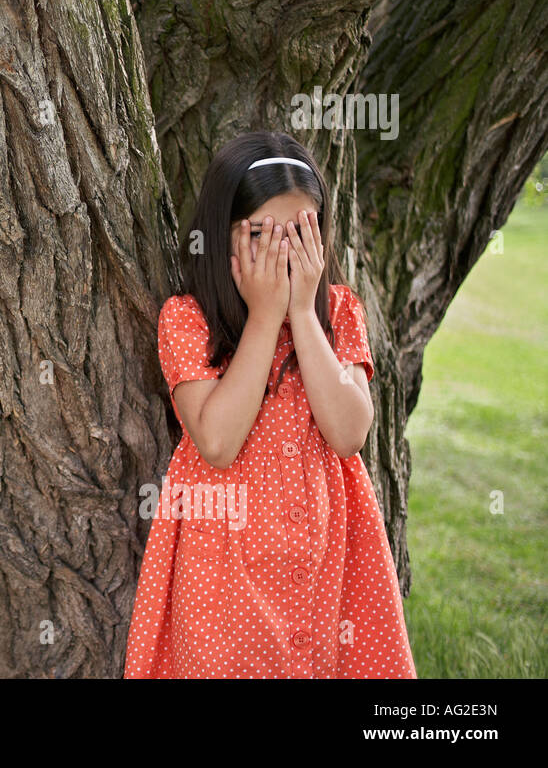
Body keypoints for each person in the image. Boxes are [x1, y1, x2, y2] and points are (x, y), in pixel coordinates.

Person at [124, 131, 416, 678]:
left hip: (323, 554)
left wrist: (303, 314)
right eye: (261, 233)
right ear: (222, 236)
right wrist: (263, 318)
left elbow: (349, 432)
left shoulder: (338, 313)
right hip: (223, 562)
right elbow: (216, 441)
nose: (284, 252)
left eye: (301, 233)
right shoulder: (188, 320)